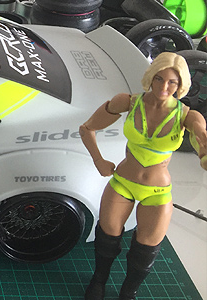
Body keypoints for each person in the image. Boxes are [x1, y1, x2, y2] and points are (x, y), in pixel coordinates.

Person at [79, 52, 207, 300]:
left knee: (145, 251)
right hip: (122, 182)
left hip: (157, 191)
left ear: (181, 85)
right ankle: (98, 280)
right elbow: (87, 128)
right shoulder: (128, 102)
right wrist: (98, 160)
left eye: (172, 82)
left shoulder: (187, 115)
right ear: (151, 76)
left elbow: (200, 136)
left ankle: (129, 292)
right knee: (106, 239)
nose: (164, 87)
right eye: (159, 79)